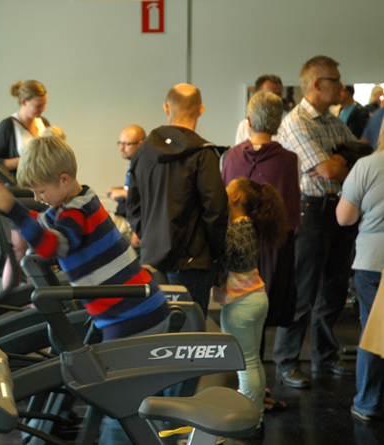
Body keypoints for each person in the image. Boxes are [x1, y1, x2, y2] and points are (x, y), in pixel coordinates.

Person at [0, 136, 170, 340]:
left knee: (108, 360)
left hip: (133, 315)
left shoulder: (77, 213)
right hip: (125, 311)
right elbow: (41, 223)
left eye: (41, 191)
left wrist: (14, 210)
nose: (37, 198)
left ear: (64, 180)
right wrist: (7, 203)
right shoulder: (78, 201)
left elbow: (52, 246)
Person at [272, 55, 358, 389]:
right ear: (317, 84)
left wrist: (341, 158)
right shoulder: (296, 122)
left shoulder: (332, 121)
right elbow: (327, 170)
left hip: (340, 208)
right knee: (303, 290)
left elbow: (360, 153)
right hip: (311, 211)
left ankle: (325, 355)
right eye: (336, 80)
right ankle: (286, 360)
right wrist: (340, 158)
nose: (342, 86)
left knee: (334, 288)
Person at [222, 91, 299, 413]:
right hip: (274, 248)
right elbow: (291, 213)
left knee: (244, 338)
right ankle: (256, 394)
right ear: (279, 121)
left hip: (237, 250)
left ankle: (250, 399)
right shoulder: (288, 160)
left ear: (249, 120)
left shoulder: (232, 156)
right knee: (259, 326)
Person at [127, 83, 228, 315]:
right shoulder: (204, 154)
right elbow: (216, 211)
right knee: (191, 328)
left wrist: (148, 236)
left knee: (160, 327)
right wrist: (213, 252)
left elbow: (133, 205)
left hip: (152, 258)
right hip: (192, 262)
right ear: (200, 110)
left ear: (166, 108)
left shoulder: (142, 152)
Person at [214, 177, 288, 438]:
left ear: (236, 197)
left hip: (240, 305)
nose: (223, 188)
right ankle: (256, 417)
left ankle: (249, 423)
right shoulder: (249, 226)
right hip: (256, 297)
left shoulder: (233, 232)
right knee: (253, 362)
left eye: (229, 186)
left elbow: (220, 273)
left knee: (245, 367)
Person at [336, 122, 384, 423]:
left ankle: (368, 403)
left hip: (373, 260)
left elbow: (344, 217)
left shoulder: (367, 166)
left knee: (374, 330)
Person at [0, 80, 49, 288]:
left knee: (38, 251)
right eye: (38, 105)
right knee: (18, 251)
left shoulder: (43, 123)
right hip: (18, 194)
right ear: (24, 101)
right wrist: (25, 159)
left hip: (40, 194)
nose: (42, 109)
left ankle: (35, 298)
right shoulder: (7, 126)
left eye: (44, 104)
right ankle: (8, 298)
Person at [107, 125, 146, 248]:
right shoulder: (135, 165)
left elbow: (146, 196)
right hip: (127, 218)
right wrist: (118, 190)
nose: (121, 148)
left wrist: (123, 193)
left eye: (127, 144)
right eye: (120, 143)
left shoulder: (145, 167)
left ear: (140, 144)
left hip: (134, 224)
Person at [234, 75, 284, 145]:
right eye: (270, 95)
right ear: (257, 95)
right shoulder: (244, 126)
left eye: (278, 94)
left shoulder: (287, 125)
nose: (276, 99)